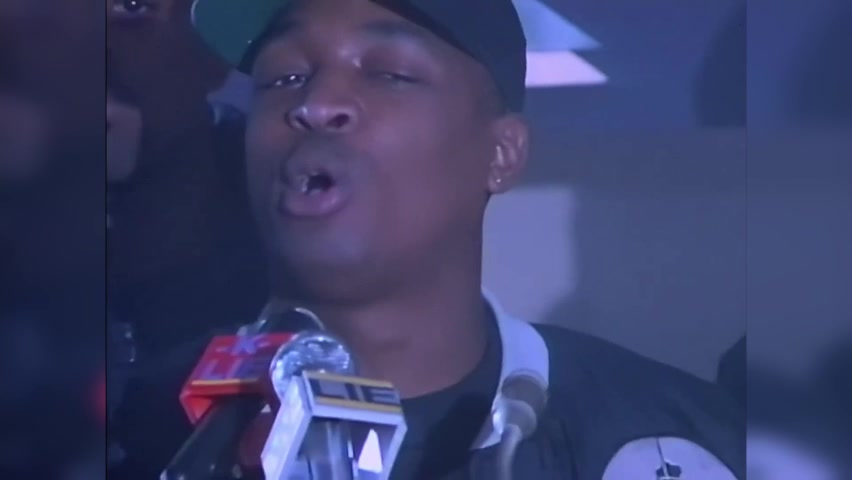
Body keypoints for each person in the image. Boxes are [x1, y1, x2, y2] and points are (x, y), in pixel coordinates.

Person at [184, 0, 747, 478]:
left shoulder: (668, 439)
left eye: (388, 73)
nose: (316, 104)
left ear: (501, 154)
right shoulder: (149, 428)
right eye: (284, 78)